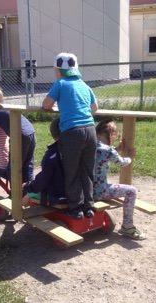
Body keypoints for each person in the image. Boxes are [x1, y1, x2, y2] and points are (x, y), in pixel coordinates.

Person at [42, 52, 98, 219]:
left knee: (71, 171)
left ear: (58, 70)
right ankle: (89, 206)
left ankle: (75, 208)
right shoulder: (84, 85)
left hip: (72, 132)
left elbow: (46, 105)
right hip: (90, 129)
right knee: (87, 170)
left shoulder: (60, 83)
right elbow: (94, 108)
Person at [94, 119, 146, 240]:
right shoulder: (108, 150)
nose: (114, 139)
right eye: (114, 136)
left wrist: (117, 149)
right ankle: (127, 227)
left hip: (86, 191)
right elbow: (122, 162)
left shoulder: (90, 145)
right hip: (100, 191)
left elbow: (103, 156)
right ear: (111, 134)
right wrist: (130, 157)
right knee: (131, 191)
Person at [22, 118, 66, 207]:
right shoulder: (76, 150)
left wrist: (29, 187)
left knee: (27, 192)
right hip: (76, 193)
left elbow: (44, 179)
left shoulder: (52, 154)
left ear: (53, 134)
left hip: (57, 195)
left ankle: (20, 210)